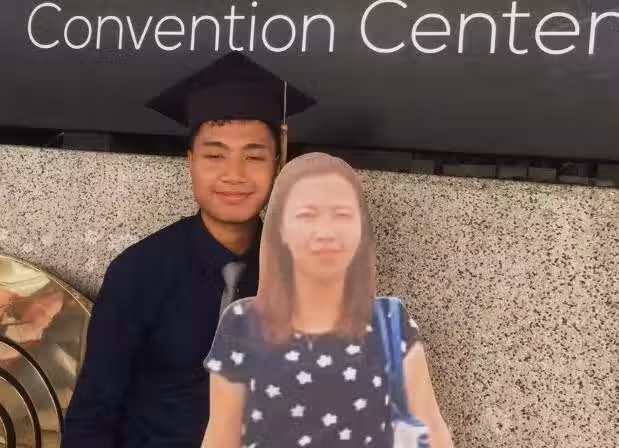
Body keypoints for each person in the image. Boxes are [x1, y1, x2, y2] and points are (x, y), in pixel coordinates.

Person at [61, 51, 316, 448]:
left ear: (279, 162)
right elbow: (92, 415)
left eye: (254, 156)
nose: (234, 175)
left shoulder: (298, 273)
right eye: (215, 155)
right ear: (191, 161)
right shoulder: (139, 271)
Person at [202, 152, 454, 447]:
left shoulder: (391, 321)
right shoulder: (242, 323)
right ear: (280, 228)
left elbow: (432, 429)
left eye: (342, 214)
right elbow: (221, 436)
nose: (325, 232)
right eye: (307, 215)